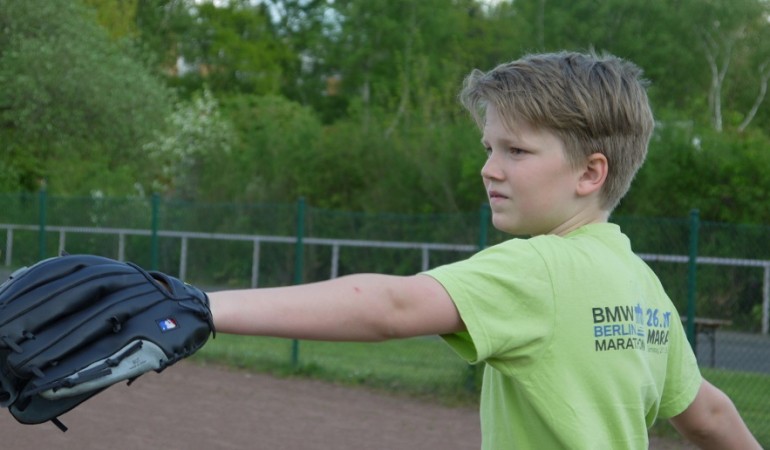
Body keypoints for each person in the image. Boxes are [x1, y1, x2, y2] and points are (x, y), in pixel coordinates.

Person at [208, 51, 761, 449]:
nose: (489, 168)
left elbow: (391, 306)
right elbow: (707, 413)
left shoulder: (538, 266)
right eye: (489, 147)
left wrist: (201, 306)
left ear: (591, 172)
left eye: (516, 150)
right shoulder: (642, 285)